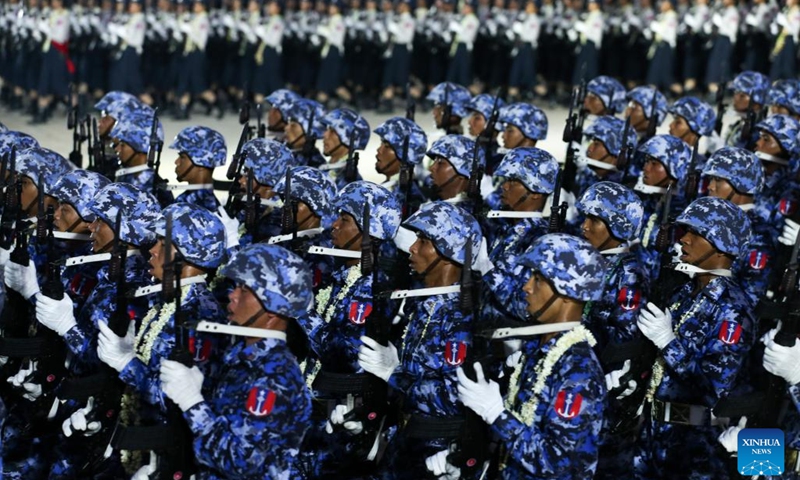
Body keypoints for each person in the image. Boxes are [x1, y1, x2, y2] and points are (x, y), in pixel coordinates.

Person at [453, 233, 606, 478]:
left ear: (566, 292)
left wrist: (496, 414)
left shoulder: (579, 372)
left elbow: (558, 463)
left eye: (538, 280)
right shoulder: (538, 349)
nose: (526, 286)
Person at [158, 243, 314, 478]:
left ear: (272, 310)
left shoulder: (274, 375)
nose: (232, 295)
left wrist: (192, 403)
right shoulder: (242, 357)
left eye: (245, 290)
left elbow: (242, 461)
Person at [96, 202, 227, 478]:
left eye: (162, 243)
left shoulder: (200, 314)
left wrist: (127, 364)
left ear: (186, 254)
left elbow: (182, 397)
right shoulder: (167, 303)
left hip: (170, 457)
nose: (152, 251)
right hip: (142, 446)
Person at [356, 201, 484, 479]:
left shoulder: (461, 317)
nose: (413, 248)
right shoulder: (423, 304)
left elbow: (452, 395)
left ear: (448, 250)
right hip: (405, 440)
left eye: (424, 241)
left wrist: (393, 374)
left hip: (436, 452)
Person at [633, 196, 755, 479]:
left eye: (696, 234)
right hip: (654, 430)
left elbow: (711, 387)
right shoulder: (684, 292)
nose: (684, 240)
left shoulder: (732, 310)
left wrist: (668, 343)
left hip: (690, 442)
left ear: (722, 245)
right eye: (685, 232)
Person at [292, 181, 401, 478]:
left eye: (345, 219)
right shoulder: (341, 275)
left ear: (370, 232)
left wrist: (303, 311)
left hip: (343, 415)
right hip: (316, 405)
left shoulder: (373, 287)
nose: (334, 226)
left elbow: (343, 353)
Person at [575, 182, 648, 478]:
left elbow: (624, 337)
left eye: (594, 220)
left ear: (616, 226)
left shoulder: (628, 271)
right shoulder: (593, 261)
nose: (584, 226)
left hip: (608, 387)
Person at [481, 147, 558, 327]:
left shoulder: (541, 240)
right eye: (506, 179)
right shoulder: (505, 229)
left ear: (536, 192)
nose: (504, 186)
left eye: (514, 181)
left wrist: (489, 271)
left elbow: (526, 307)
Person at [633, 134, 692, 282]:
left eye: (655, 163)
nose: (646, 168)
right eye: (647, 161)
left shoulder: (682, 215)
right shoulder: (645, 200)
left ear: (675, 169)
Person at [109, 109, 174, 208]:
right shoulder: (124, 177)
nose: (117, 149)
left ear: (140, 147)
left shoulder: (158, 189)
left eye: (122, 145)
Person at [373, 116, 429, 217]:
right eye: (381, 143)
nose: (379, 150)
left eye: (387, 146)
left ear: (405, 156)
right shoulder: (390, 189)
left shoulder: (409, 200)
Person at [167, 125, 227, 212]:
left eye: (182, 157)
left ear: (201, 162)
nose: (177, 162)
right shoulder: (190, 199)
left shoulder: (197, 207)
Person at [319, 107, 371, 191]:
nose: (325, 135)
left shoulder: (349, 183)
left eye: (332, 131)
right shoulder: (329, 169)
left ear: (347, 139)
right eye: (327, 130)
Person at [723, 70, 770, 151]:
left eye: (742, 95)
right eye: (735, 92)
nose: (735, 97)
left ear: (757, 100)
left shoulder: (761, 133)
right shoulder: (739, 124)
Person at [284, 98, 327, 168]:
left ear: (310, 132)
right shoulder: (284, 151)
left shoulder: (317, 165)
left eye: (293, 125)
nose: (286, 128)